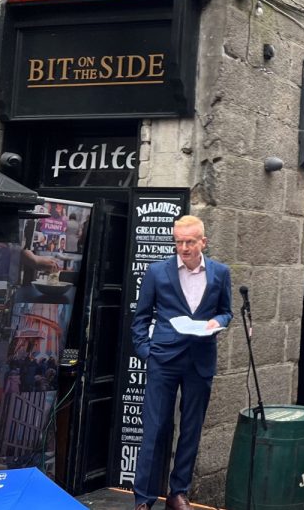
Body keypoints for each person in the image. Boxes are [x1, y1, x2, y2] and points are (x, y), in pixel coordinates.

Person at [131, 215, 233, 510]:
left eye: (190, 242)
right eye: (179, 242)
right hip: (163, 358)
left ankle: (178, 493)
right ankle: (144, 498)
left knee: (191, 428)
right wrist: (145, 351)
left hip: (200, 359)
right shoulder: (157, 272)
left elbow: (227, 311)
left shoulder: (220, 273)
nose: (184, 248)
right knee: (156, 427)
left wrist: (218, 320)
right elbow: (141, 318)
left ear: (204, 241)